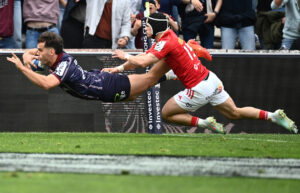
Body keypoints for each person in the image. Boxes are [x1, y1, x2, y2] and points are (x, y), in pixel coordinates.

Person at [103, 12, 298, 134]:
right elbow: (146, 58)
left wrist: (124, 56)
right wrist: (118, 69)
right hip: (211, 80)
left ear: (156, 27)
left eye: (147, 25)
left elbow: (143, 61)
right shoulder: (170, 37)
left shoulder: (165, 42)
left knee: (166, 114)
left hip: (199, 87)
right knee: (235, 113)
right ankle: (273, 116)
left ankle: (206, 123)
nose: (144, 28)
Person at [6, 31, 168, 104]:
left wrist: (22, 67)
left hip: (107, 86)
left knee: (150, 78)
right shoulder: (55, 57)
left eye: (40, 51)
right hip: (102, 83)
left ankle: (172, 61)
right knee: (135, 94)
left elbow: (47, 84)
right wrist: (28, 53)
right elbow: (37, 54)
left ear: (51, 52)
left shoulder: (64, 64)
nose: (38, 53)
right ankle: (170, 74)